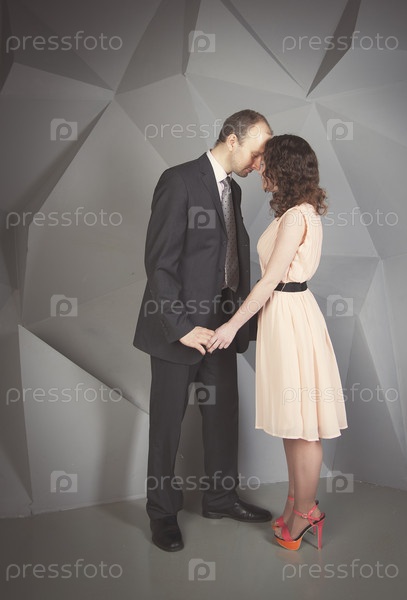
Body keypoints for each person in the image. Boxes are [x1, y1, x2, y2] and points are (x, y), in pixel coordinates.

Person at [133, 110, 273, 552]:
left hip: (222, 328)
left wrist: (237, 320)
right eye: (257, 152)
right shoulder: (178, 181)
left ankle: (219, 499)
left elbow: (226, 256)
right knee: (167, 427)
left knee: (222, 416)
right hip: (178, 328)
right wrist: (181, 328)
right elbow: (159, 264)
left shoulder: (233, 190)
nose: (260, 163)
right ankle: (161, 513)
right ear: (232, 140)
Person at [207, 134, 348, 551]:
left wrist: (232, 326)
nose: (258, 169)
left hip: (288, 314)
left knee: (303, 425)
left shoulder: (294, 218)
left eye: (265, 163)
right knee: (294, 421)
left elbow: (270, 280)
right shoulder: (300, 212)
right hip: (288, 313)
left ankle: (306, 513)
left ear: (283, 168)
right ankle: (294, 505)